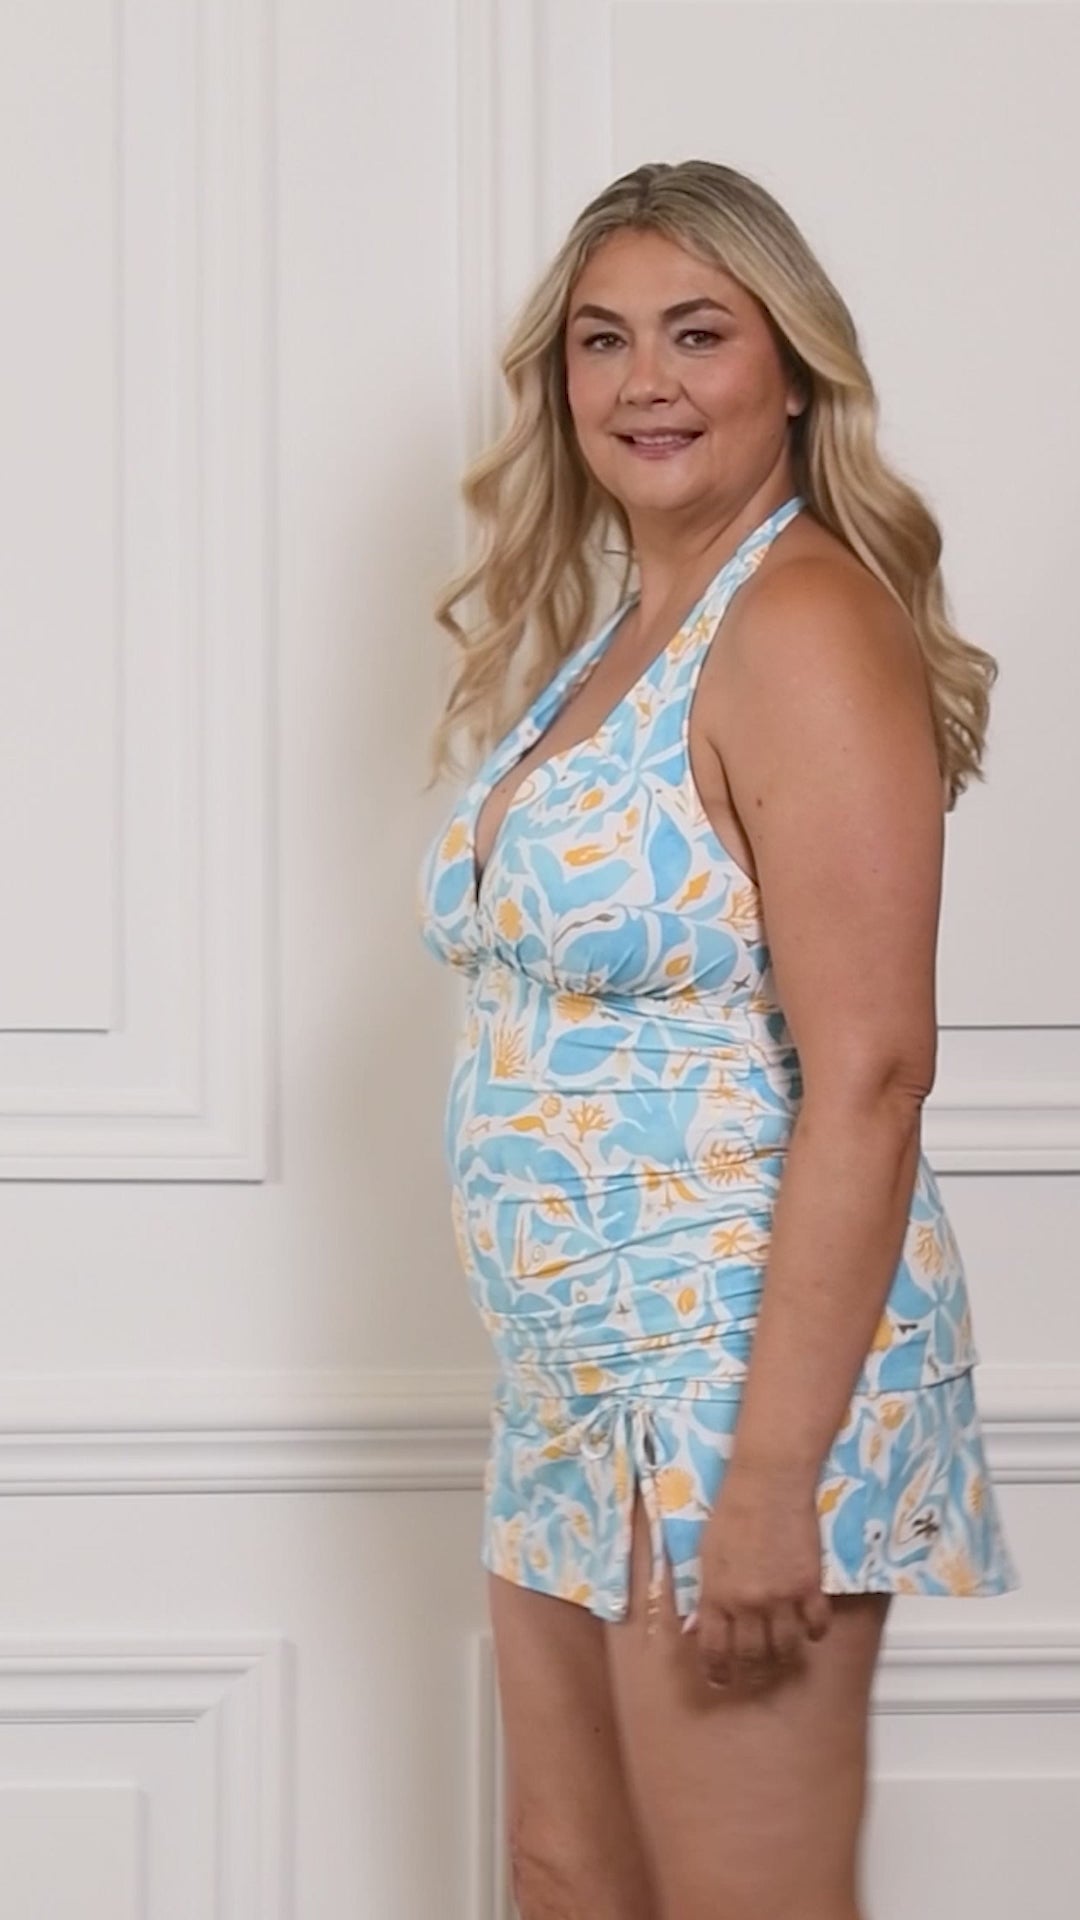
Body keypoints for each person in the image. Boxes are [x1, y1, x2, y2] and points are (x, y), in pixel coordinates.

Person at [415, 159, 1019, 1920]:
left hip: (732, 1389)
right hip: (572, 1388)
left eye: (698, 334)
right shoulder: (627, 630)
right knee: (568, 1881)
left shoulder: (803, 621)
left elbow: (875, 1075)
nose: (644, 382)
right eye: (602, 341)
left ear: (793, 369)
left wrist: (768, 1483)